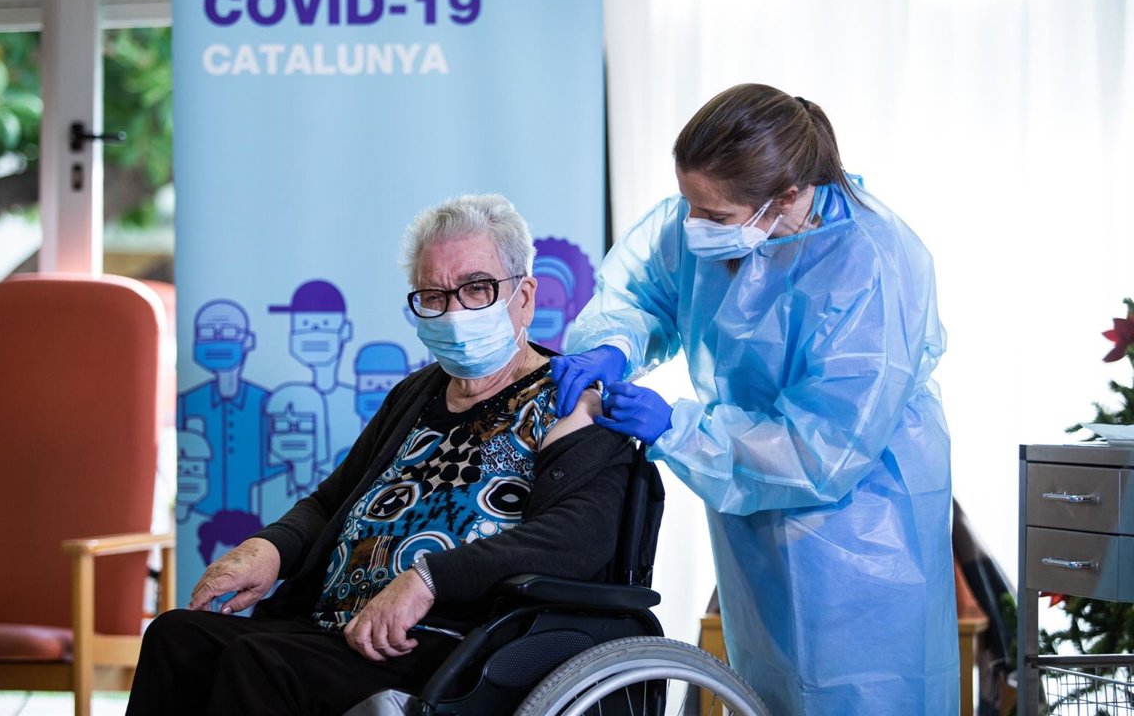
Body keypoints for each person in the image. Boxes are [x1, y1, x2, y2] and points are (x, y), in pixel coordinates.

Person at [127, 194, 632, 715]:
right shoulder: (418, 394)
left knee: (260, 662)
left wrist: (430, 578)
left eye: (477, 289)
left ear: (524, 297)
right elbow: (331, 502)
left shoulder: (569, 400)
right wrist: (268, 549)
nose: (454, 312)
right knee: (176, 637)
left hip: (450, 646)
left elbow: (580, 534)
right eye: (433, 295)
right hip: (336, 625)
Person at [550, 83, 957, 714]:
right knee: (766, 685)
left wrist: (679, 430)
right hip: (750, 499)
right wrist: (614, 344)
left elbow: (824, 451)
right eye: (689, 205)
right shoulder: (711, 217)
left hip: (862, 526)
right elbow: (640, 295)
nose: (694, 227)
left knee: (859, 691)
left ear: (786, 196)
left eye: (714, 217)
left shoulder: (871, 264)